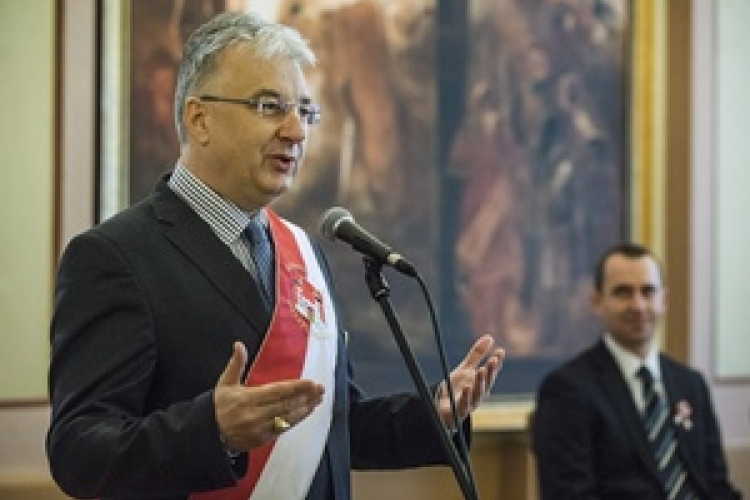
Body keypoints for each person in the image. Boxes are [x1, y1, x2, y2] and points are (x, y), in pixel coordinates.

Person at [46, 11, 505, 500]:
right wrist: (211, 432)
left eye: (305, 111)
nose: (296, 131)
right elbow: (79, 452)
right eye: (269, 107)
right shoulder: (114, 257)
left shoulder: (304, 252)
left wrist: (434, 414)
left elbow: (329, 423)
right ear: (199, 119)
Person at [531, 242, 742, 499]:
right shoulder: (567, 390)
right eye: (623, 292)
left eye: (648, 291)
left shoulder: (691, 384)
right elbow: (571, 495)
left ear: (664, 300)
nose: (638, 306)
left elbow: (718, 488)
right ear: (597, 302)